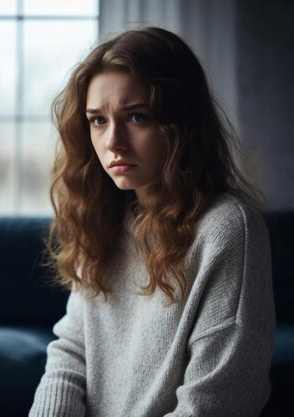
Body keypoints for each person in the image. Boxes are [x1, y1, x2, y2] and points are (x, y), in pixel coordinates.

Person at [29, 27, 275, 417]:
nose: (113, 142)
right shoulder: (103, 216)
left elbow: (216, 404)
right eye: (97, 120)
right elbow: (72, 352)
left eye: (137, 116)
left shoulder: (227, 230)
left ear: (182, 124)